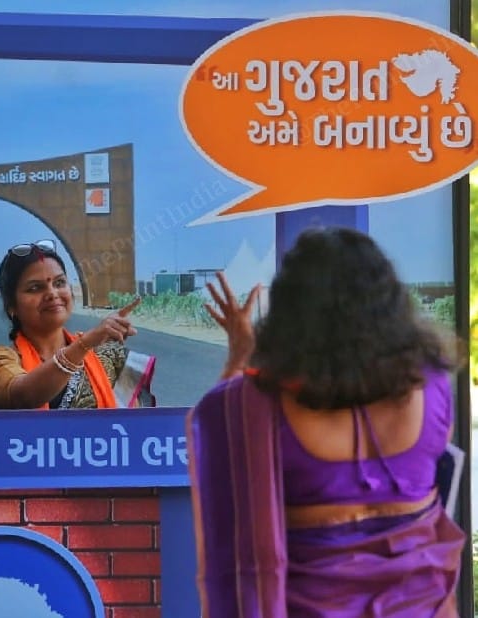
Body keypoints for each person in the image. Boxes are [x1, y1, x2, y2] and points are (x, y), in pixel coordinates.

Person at [187, 227, 465, 618]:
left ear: (289, 316)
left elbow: (226, 446)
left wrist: (240, 357)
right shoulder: (432, 386)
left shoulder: (244, 406)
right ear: (391, 308)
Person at [0, 239, 141, 409]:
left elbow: (135, 422)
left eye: (59, 283)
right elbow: (23, 397)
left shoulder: (105, 357)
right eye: (35, 288)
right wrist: (84, 345)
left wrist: (87, 346)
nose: (52, 293)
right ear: (12, 306)